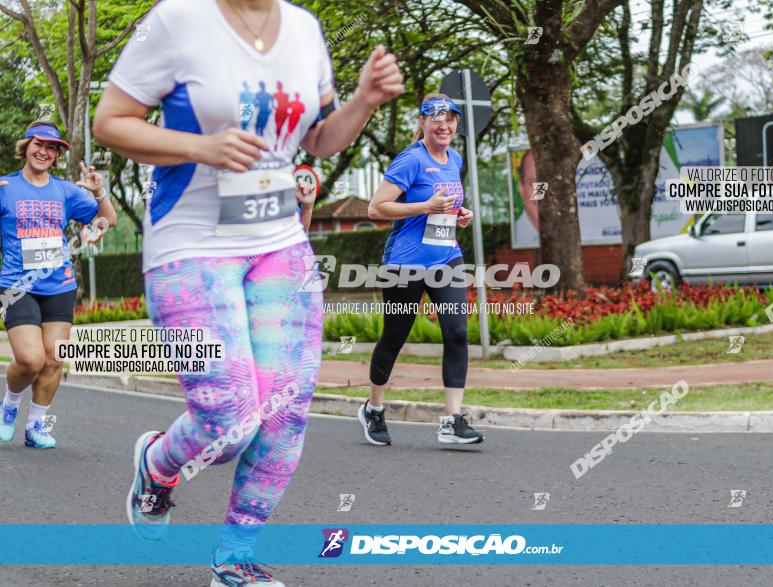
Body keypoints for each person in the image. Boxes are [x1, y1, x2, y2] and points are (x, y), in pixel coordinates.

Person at [92, 0, 402, 585]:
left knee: (285, 413)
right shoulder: (178, 20)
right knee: (230, 424)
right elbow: (110, 121)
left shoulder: (306, 29)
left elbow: (319, 139)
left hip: (279, 242)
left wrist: (363, 101)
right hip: (191, 242)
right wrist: (197, 146)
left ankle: (233, 563)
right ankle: (157, 464)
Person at [363, 93, 483, 447]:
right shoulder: (410, 160)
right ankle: (373, 408)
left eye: (450, 119)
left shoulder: (455, 158)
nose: (444, 125)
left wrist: (459, 215)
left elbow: (444, 207)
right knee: (394, 337)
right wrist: (425, 206)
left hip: (446, 257)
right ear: (423, 123)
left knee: (457, 333)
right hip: (405, 262)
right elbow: (375, 208)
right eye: (436, 119)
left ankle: (452, 420)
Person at [0, 121, 117, 449]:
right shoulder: (5, 188)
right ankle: (9, 405)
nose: (44, 151)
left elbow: (106, 222)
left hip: (59, 285)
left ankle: (36, 427)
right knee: (30, 359)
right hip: (17, 286)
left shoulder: (66, 191)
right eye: (39, 144)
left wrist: (99, 192)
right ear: (26, 146)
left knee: (53, 359)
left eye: (52, 148)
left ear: (56, 155)